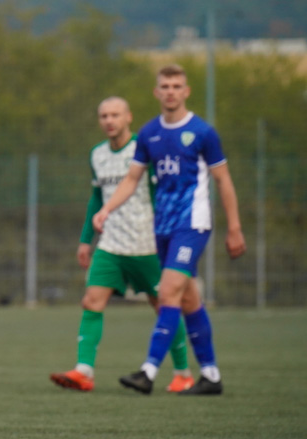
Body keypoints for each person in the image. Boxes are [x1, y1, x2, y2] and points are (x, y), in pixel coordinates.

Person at [92, 64, 246, 395]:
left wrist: (234, 227)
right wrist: (106, 208)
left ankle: (147, 372)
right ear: (157, 92)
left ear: (186, 91)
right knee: (188, 300)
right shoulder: (149, 134)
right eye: (166, 86)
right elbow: (132, 179)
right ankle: (211, 375)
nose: (171, 91)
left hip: (192, 225)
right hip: (161, 228)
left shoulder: (203, 133)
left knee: (167, 292)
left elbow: (223, 180)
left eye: (177, 85)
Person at [50, 97, 194, 393]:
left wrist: (166, 235)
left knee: (164, 306)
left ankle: (183, 373)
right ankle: (84, 371)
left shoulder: (145, 148)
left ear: (129, 117)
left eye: (115, 114)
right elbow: (96, 199)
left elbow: (160, 193)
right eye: (104, 115)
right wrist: (85, 241)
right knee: (92, 301)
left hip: (147, 245)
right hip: (111, 245)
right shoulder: (97, 155)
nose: (109, 120)